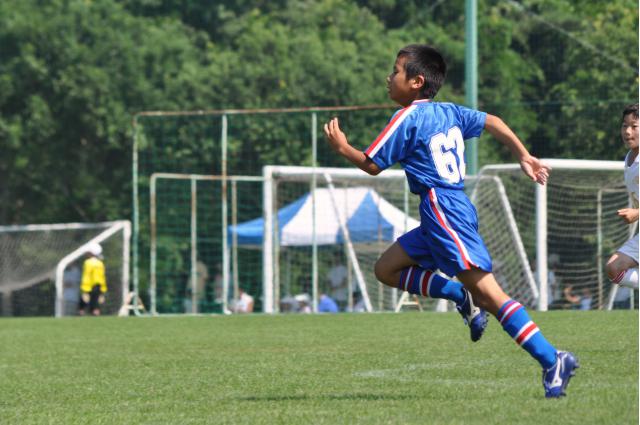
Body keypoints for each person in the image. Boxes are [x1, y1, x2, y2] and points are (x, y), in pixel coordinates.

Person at [323, 44, 577, 398]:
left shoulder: (407, 118)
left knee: (490, 295)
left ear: (416, 81)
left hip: (443, 210)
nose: (389, 77)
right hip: (448, 209)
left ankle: (552, 359)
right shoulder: (450, 111)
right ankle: (459, 294)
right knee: (386, 269)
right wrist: (523, 154)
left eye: (396, 71)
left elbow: (372, 164)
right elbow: (493, 121)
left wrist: (342, 148)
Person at [606, 104, 639, 291]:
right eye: (624, 126)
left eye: (634, 126)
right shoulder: (630, 157)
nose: (627, 131)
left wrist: (637, 213)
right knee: (614, 268)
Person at [79, 243, 107, 316]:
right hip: (98, 287)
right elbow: (102, 278)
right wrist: (103, 290)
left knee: (82, 306)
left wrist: (84, 290)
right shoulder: (100, 263)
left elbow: (86, 276)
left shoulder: (88, 262)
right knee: (95, 306)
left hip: (88, 287)